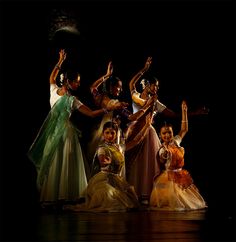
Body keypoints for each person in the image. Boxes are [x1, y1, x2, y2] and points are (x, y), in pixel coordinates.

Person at [27, 49, 117, 209]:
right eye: (77, 81)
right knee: (55, 162)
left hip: (63, 133)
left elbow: (90, 113)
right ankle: (53, 197)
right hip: (57, 133)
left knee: (63, 162)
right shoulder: (55, 92)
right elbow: (52, 77)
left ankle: (64, 196)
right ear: (68, 81)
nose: (79, 84)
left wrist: (106, 109)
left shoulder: (71, 99)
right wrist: (60, 61)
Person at [126, 57, 209, 205]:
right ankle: (134, 193)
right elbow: (132, 84)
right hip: (135, 131)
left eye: (157, 86)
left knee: (149, 163)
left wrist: (194, 113)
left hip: (149, 133)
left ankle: (148, 194)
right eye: (154, 85)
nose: (156, 88)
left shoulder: (155, 102)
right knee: (134, 164)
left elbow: (173, 114)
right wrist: (144, 70)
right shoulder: (137, 96)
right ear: (147, 85)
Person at [88, 60, 155, 175]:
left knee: (99, 163)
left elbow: (93, 87)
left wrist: (107, 75)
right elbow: (132, 117)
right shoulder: (115, 104)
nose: (121, 90)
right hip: (113, 133)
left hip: (101, 132)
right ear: (112, 87)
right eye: (119, 87)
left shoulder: (101, 98)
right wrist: (147, 107)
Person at [64, 121, 140, 212]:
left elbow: (136, 141)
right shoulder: (102, 148)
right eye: (107, 133)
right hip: (104, 179)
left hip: (116, 180)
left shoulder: (118, 147)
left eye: (112, 133)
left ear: (116, 134)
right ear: (103, 134)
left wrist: (147, 126)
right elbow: (102, 160)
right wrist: (107, 161)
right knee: (108, 195)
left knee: (129, 199)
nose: (110, 136)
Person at [149, 100, 207, 211]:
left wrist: (184, 111)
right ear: (160, 136)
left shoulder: (175, 141)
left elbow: (184, 129)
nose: (167, 135)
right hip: (168, 178)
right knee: (172, 200)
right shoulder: (162, 148)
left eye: (169, 132)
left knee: (186, 200)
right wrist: (165, 154)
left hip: (180, 175)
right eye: (164, 133)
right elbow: (162, 159)